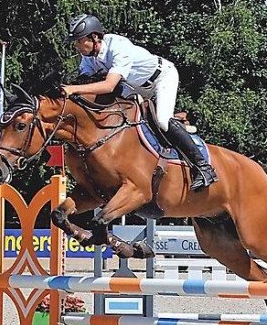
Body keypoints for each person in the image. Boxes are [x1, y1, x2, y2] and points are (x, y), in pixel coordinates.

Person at [61, 14, 218, 192]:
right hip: (133, 87)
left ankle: (204, 168)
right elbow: (86, 83)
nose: (77, 46)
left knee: (162, 120)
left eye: (80, 41)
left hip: (160, 78)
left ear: (94, 37)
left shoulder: (117, 46)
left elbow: (109, 85)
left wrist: (73, 89)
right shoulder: (89, 57)